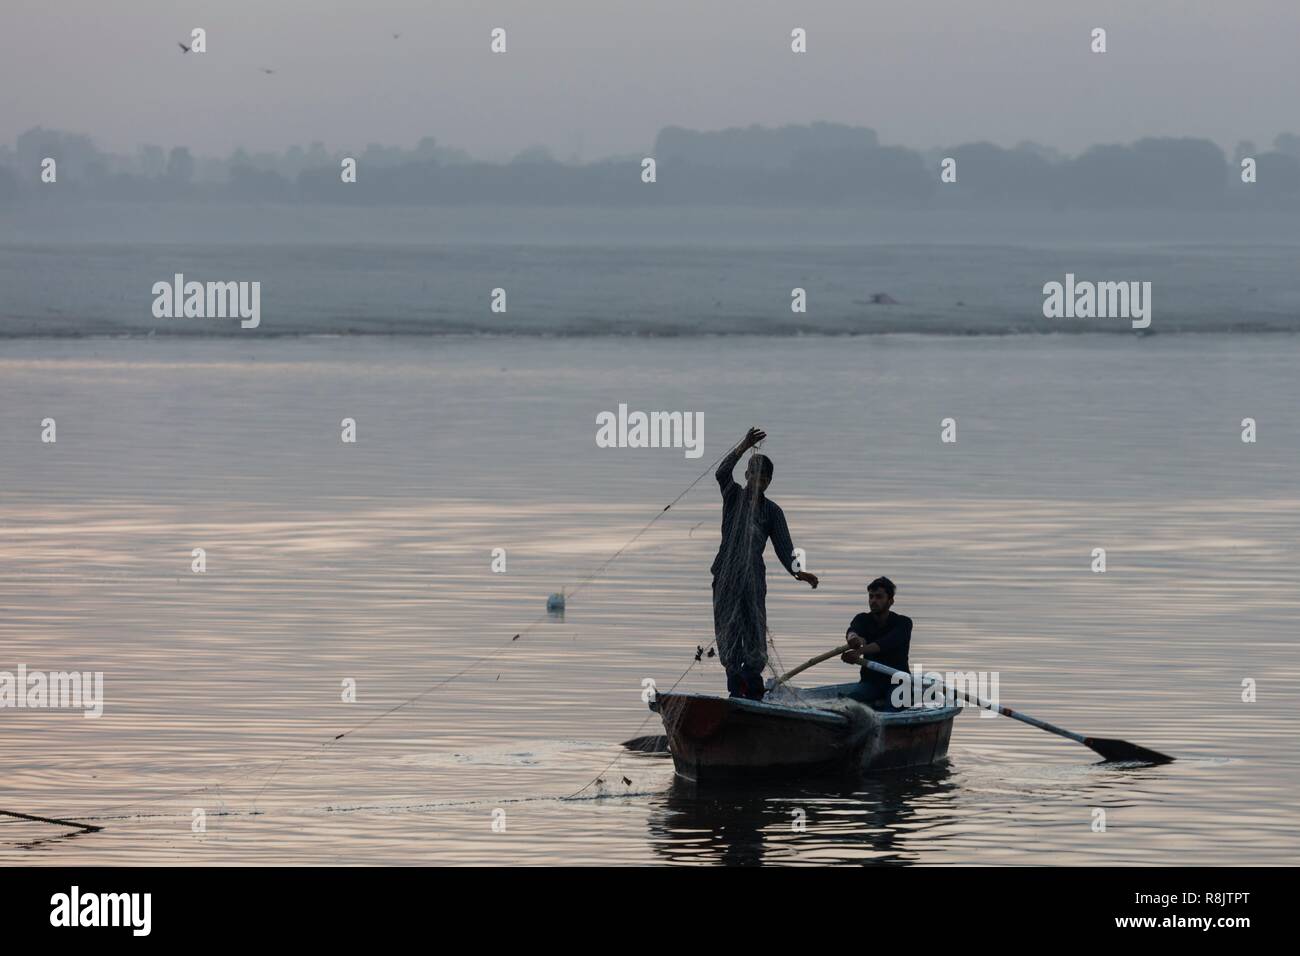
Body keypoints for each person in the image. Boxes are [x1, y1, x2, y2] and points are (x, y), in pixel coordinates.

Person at [711, 427, 818, 701]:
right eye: (753, 474)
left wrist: (799, 572)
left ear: (769, 481)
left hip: (753, 580)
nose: (758, 480)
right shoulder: (733, 496)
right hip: (725, 575)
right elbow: (721, 473)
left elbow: (785, 546)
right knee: (728, 629)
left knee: (755, 630)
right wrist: (744, 445)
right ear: (747, 476)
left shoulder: (772, 511)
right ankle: (735, 687)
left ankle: (753, 686)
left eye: (764, 477)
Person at [840, 576, 911, 707]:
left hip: (899, 683)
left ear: (890, 601)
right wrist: (853, 639)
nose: (873, 601)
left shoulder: (903, 623)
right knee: (845, 704)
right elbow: (853, 631)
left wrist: (859, 651)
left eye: (879, 597)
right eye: (871, 597)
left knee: (893, 707)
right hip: (870, 683)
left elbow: (885, 643)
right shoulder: (862, 619)